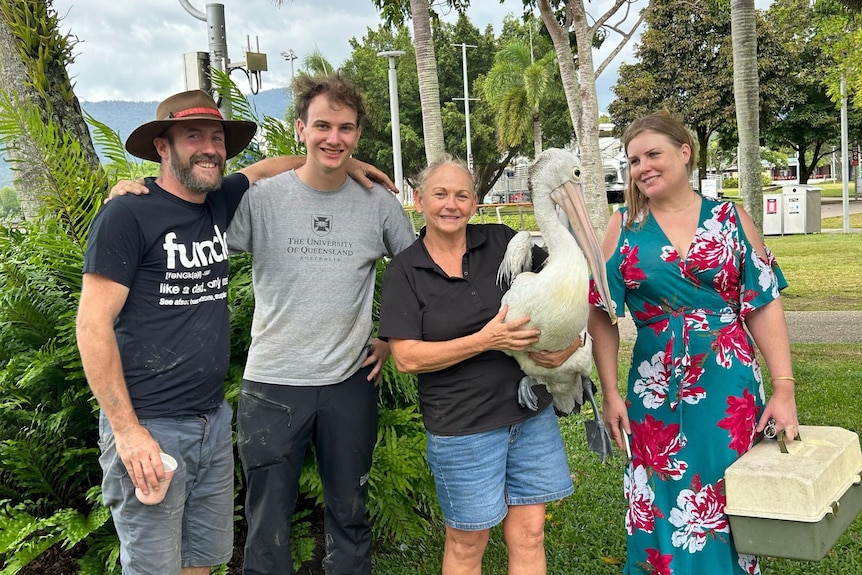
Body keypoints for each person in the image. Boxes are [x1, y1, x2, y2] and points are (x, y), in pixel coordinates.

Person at [76, 89, 393, 575]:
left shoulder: (218, 202)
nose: (208, 147)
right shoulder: (127, 214)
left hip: (210, 419)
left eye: (216, 137)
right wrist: (126, 431)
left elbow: (268, 167)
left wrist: (343, 165)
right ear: (162, 146)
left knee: (203, 560)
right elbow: (92, 325)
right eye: (192, 136)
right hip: (150, 425)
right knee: (154, 566)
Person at [588, 110, 799, 575]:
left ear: (685, 153)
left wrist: (783, 387)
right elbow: (601, 313)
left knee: (728, 498)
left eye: (653, 154)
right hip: (654, 389)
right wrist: (609, 392)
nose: (643, 167)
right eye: (633, 159)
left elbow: (762, 303)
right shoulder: (622, 224)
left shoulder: (730, 216)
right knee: (659, 502)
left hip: (728, 388)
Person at [226, 72, 416, 575]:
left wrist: (392, 335)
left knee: (350, 515)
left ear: (358, 135)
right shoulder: (261, 200)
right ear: (300, 129)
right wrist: (134, 192)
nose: (334, 138)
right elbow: (188, 223)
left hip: (348, 383)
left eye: (347, 128)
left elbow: (416, 270)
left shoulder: (378, 203)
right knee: (266, 522)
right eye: (323, 126)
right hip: (272, 385)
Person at [377, 154, 576, 575]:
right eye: (440, 194)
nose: (451, 204)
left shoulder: (504, 241)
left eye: (462, 195)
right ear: (419, 201)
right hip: (462, 426)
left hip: (529, 414)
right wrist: (485, 340)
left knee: (530, 533)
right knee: (468, 541)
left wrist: (572, 343)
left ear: (474, 203)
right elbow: (407, 357)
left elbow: (567, 290)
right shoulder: (405, 271)